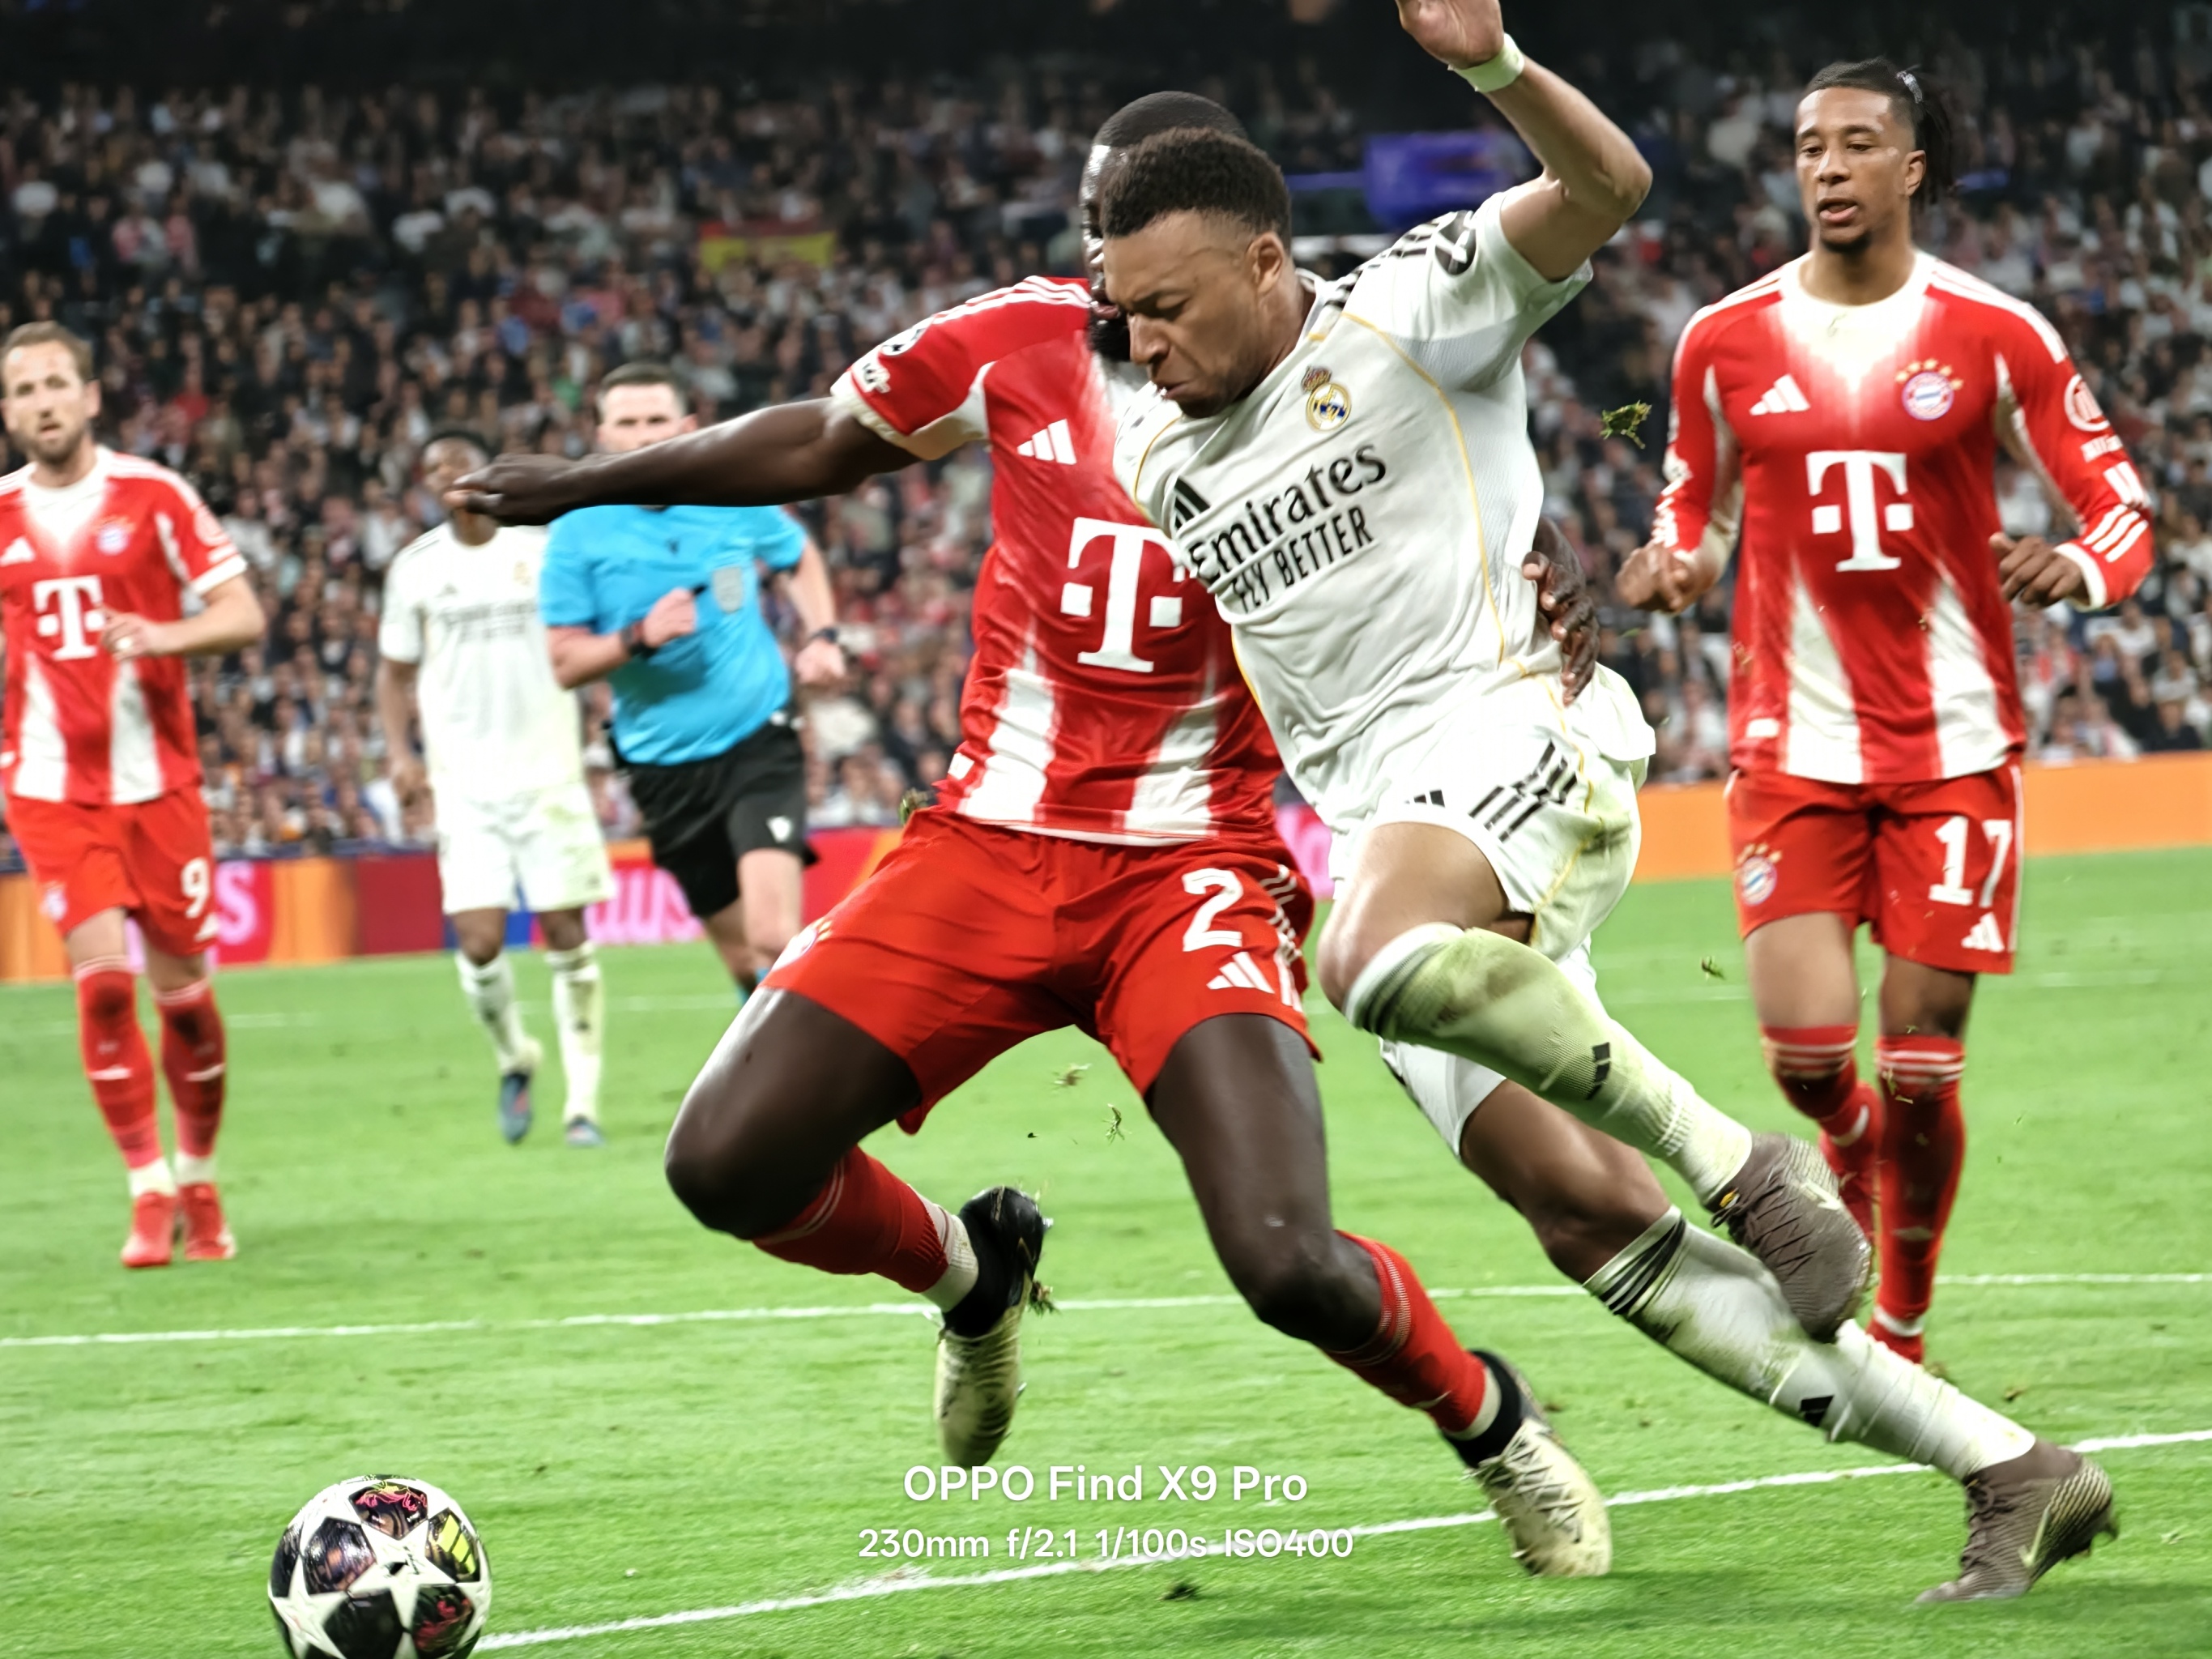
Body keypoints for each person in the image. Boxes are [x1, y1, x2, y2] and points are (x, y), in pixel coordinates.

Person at [455, 92, 1623, 1580]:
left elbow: (1462, 493)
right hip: (981, 848)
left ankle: (1494, 1421)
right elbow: (826, 436)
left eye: (1133, 242)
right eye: (1088, 227)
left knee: (1282, 1259)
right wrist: (590, 479)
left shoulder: (1336, 365)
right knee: (724, 1163)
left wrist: (1547, 560)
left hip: (1190, 869)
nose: (1099, 266)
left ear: (1225, 254)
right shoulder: (1013, 339)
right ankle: (969, 1272)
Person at [1102, 3, 2112, 1601]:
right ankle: (2007, 1465)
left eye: (1165, 307)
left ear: (1264, 261)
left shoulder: (1410, 310)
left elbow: (1606, 186)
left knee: (1364, 955)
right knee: (1588, 1230)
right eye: (1122, 317)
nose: (1145, 344)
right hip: (1396, 842)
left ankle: (1752, 1166)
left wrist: (1491, 68)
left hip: (1524, 738)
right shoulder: (1155, 457)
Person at [1615, 59, 2154, 1371]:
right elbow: (1693, 500)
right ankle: (1846, 1155)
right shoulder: (1724, 339)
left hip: (1954, 750)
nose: (1829, 166)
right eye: (1810, 145)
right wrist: (1675, 561)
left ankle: (1902, 1314)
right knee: (1808, 1064)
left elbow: (2122, 509)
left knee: (1923, 1067)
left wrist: (2076, 572)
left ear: (1910, 169)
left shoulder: (1995, 331)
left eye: (1858, 144)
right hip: (1788, 746)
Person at [0, 321, 265, 1267]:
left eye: (56, 384)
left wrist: (161, 635)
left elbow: (242, 612)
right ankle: (148, 1190)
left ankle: (201, 1175)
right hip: (47, 786)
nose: (42, 402)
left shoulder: (155, 495)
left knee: (185, 998)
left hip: (160, 785)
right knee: (104, 983)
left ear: (90, 395)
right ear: (8, 411)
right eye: (23, 390)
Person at [537, 361, 846, 992]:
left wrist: (821, 636)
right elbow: (564, 665)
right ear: (603, 434)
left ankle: (814, 1078)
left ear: (686, 426)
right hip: (662, 766)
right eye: (628, 423)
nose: (644, 435)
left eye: (657, 420)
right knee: (742, 962)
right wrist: (637, 637)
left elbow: (798, 555)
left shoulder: (732, 495)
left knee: (771, 936)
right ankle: (766, 1052)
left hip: (757, 734)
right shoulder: (575, 531)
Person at [375, 429, 614, 1147]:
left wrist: (603, 730)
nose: (446, 473)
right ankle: (516, 1056)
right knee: (479, 942)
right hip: (465, 785)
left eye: (458, 460)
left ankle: (582, 1105)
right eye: (433, 467)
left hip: (549, 774)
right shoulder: (415, 568)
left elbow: (585, 640)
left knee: (567, 932)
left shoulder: (540, 551)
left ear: (486, 471)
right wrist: (399, 754)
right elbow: (394, 672)